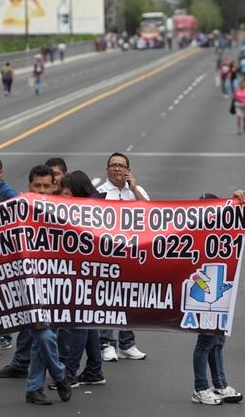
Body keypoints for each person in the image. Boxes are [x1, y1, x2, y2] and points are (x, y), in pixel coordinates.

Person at [48, 171, 105, 390]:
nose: (66, 196)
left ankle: (69, 372)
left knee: (79, 322)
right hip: (92, 273)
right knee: (88, 323)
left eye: (68, 191)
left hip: (85, 273)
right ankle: (94, 369)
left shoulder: (88, 211)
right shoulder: (97, 206)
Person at [192, 191, 245, 406]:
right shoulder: (195, 232)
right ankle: (200, 388)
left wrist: (234, 200)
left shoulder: (222, 230)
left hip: (221, 294)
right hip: (205, 297)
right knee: (206, 341)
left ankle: (220, 385)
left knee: (217, 341)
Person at [24, 165, 72, 405]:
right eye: (37, 185)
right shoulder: (17, 211)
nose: (42, 190)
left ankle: (33, 388)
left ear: (54, 186)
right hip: (28, 289)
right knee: (43, 337)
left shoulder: (65, 212)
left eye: (47, 185)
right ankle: (60, 374)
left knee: (45, 340)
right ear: (29, 186)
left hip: (56, 288)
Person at [97, 152, 148, 361]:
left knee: (129, 298)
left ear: (128, 170)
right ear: (107, 169)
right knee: (108, 299)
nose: (117, 169)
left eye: (121, 166)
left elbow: (151, 213)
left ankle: (127, 344)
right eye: (113, 165)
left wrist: (134, 188)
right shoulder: (99, 192)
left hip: (132, 254)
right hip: (107, 254)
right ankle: (106, 344)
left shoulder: (137, 191)